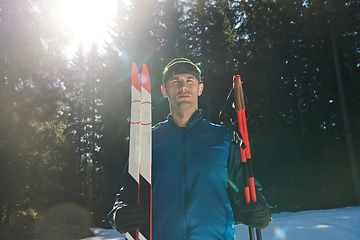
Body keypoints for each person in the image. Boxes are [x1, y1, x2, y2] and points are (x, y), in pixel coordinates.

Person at [108, 58, 271, 239]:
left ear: (200, 89)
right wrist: (117, 214)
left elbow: (246, 187)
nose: (183, 86)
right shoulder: (148, 140)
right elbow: (127, 192)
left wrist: (261, 211)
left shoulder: (224, 138)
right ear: (164, 91)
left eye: (190, 80)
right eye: (175, 81)